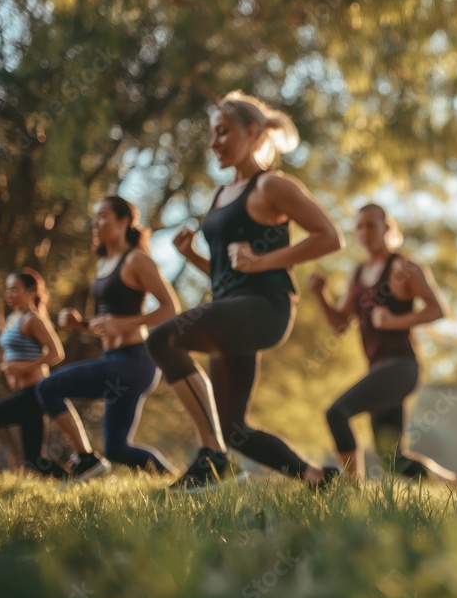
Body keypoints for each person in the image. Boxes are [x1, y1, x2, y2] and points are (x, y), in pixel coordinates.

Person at [147, 91, 343, 491]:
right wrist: (192, 257)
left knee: (163, 339)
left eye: (223, 132)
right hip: (231, 309)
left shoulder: (271, 186)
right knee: (234, 428)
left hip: (265, 309)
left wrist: (263, 261)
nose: (214, 142)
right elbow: (227, 274)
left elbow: (329, 237)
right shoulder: (219, 196)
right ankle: (318, 479)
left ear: (252, 132)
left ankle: (210, 456)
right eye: (212, 134)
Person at [308, 203, 457, 482]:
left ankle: (352, 490)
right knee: (393, 461)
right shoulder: (356, 275)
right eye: (359, 226)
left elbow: (436, 309)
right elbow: (341, 325)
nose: (364, 231)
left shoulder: (403, 268)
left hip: (402, 367)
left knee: (337, 412)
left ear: (387, 228)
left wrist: (393, 321)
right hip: (378, 370)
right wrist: (321, 295)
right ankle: (455, 483)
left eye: (371, 225)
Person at [36, 195, 179, 481]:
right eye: (94, 217)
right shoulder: (103, 264)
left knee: (48, 388)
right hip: (114, 360)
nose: (96, 222)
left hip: (135, 361)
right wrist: (80, 325)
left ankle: (86, 459)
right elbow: (109, 325)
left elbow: (171, 308)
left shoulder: (136, 259)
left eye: (103, 216)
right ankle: (178, 478)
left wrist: (130, 321)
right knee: (117, 450)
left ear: (124, 222)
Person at [0, 268, 70, 477]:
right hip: (22, 394)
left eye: (14, 290)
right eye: (7, 290)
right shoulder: (13, 318)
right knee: (34, 461)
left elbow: (56, 353)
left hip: (33, 393)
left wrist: (22, 367)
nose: (9, 294)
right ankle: (76, 481)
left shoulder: (33, 319)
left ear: (31, 291)